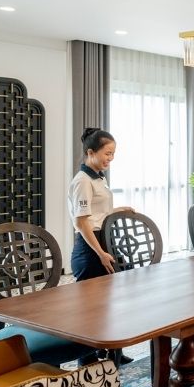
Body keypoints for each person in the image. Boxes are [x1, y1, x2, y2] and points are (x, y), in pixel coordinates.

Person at [68, 127, 134, 364]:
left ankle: (113, 351)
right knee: (90, 310)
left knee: (108, 304)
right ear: (90, 152)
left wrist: (116, 210)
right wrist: (101, 253)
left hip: (103, 243)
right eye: (107, 153)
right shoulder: (82, 181)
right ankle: (86, 359)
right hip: (90, 249)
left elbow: (96, 213)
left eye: (113, 154)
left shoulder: (98, 177)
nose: (110, 159)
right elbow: (82, 222)